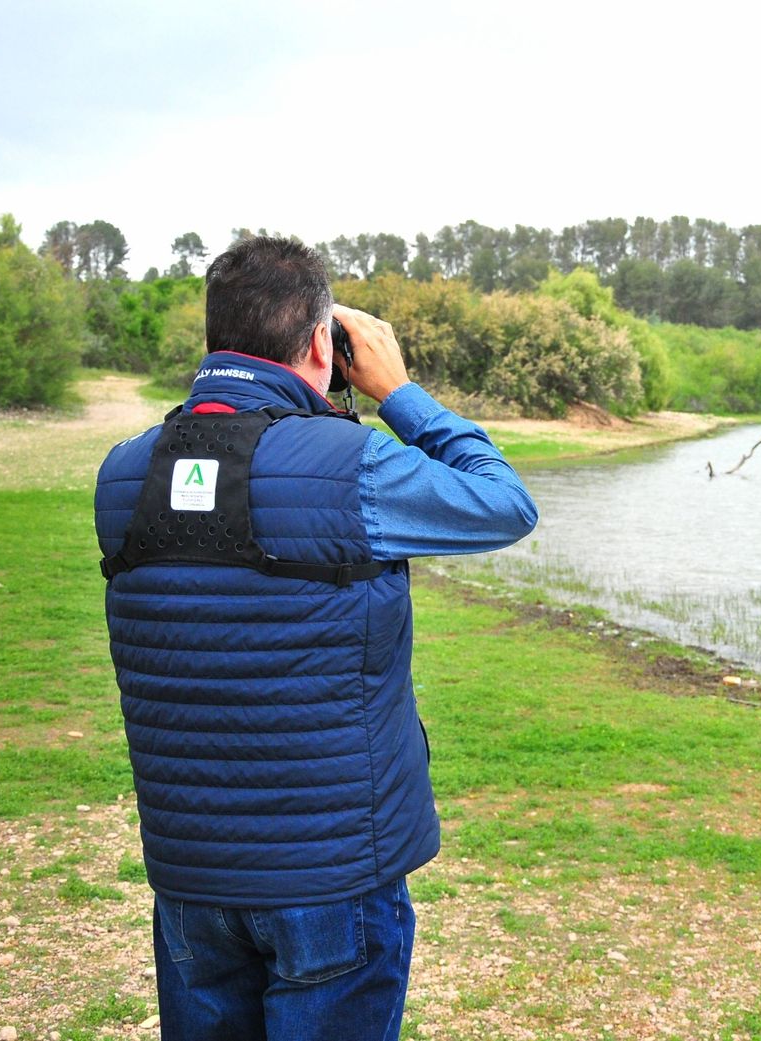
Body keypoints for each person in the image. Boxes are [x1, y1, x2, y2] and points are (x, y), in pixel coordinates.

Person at [94, 236, 537, 1041]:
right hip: (331, 878)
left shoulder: (123, 473)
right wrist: (399, 393)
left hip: (192, 877)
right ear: (319, 343)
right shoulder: (352, 467)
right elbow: (503, 503)